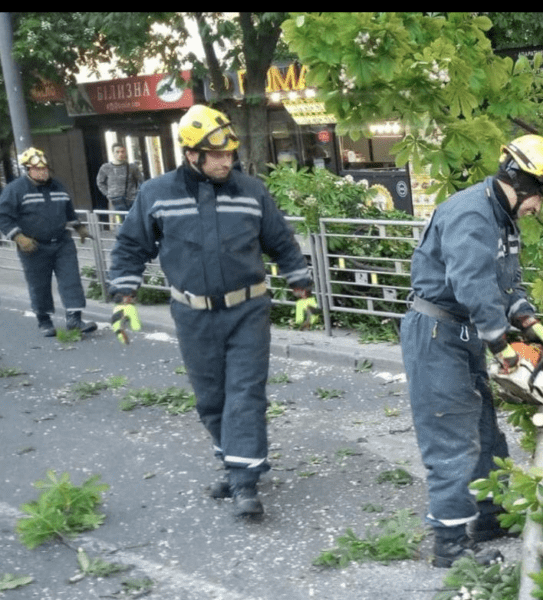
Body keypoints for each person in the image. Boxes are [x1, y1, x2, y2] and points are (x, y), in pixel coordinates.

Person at [106, 104, 315, 519]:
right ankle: (235, 460)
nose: (227, 161)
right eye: (217, 155)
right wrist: (122, 300)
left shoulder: (252, 192)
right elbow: (131, 247)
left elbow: (283, 243)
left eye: (230, 154)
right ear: (191, 154)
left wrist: (302, 290)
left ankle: (244, 480)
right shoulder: (155, 195)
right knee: (211, 399)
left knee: (245, 393)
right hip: (192, 314)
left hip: (248, 310)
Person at [400, 134, 543, 567]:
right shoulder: (472, 214)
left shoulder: (502, 218)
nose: (538, 209)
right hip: (437, 334)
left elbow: (505, 283)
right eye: (540, 198)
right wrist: (503, 348)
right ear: (522, 182)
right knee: (452, 436)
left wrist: (527, 321)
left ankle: (492, 515)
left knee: (485, 431)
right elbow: (471, 283)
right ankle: (450, 545)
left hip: (463, 333)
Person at [0, 147, 97, 337]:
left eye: (45, 168)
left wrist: (79, 227)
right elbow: (3, 216)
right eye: (38, 169)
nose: (43, 172)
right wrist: (18, 237)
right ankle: (44, 320)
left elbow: (68, 210)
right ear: (28, 169)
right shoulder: (15, 190)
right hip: (33, 246)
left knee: (72, 280)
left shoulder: (58, 186)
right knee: (39, 284)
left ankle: (75, 320)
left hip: (62, 242)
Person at [96, 143, 143, 215]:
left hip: (131, 199)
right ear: (113, 153)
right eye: (117, 152)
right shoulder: (105, 167)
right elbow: (100, 182)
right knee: (120, 221)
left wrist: (137, 193)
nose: (120, 154)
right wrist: (107, 194)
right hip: (115, 199)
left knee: (134, 220)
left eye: (122, 151)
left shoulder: (132, 167)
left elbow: (141, 181)